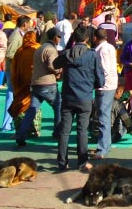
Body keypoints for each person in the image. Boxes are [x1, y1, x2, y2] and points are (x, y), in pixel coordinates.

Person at [52, 26, 105, 172]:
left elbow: (54, 64)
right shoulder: (92, 55)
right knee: (82, 130)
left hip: (68, 96)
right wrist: (94, 85)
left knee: (65, 130)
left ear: (74, 38)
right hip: (85, 96)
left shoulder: (67, 53)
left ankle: (62, 162)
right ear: (87, 39)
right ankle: (82, 162)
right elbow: (100, 78)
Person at [16, 27, 62, 147]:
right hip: (47, 84)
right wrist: (60, 70)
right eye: (59, 37)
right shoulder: (51, 50)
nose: (60, 39)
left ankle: (21, 135)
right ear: (54, 37)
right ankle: (58, 132)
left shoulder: (39, 48)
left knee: (32, 110)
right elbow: (53, 66)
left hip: (35, 83)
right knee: (59, 106)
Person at [8, 31, 41, 138]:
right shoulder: (38, 48)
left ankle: (20, 131)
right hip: (34, 82)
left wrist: (15, 82)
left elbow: (14, 68)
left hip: (21, 84)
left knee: (19, 106)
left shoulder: (20, 51)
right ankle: (35, 130)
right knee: (35, 106)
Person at [2, 15, 32, 132]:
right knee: (11, 96)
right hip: (13, 70)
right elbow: (9, 54)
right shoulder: (16, 36)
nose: (30, 26)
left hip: (17, 70)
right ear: (24, 24)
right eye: (29, 24)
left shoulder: (20, 34)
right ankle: (7, 124)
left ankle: (13, 122)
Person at [92, 27, 118, 160]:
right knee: (104, 115)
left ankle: (103, 148)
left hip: (104, 86)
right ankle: (106, 144)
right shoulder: (110, 47)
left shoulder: (101, 50)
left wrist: (97, 82)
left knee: (102, 116)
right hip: (110, 84)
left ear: (95, 38)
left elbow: (104, 69)